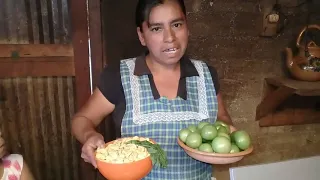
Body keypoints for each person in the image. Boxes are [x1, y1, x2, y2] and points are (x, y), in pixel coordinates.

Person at [71, 0, 233, 179]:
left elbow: (222, 117)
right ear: (141, 35)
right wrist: (89, 135)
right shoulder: (120, 76)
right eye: (156, 28)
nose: (170, 37)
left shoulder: (206, 74)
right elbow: (82, 119)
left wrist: (225, 134)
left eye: (176, 24)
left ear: (187, 27)